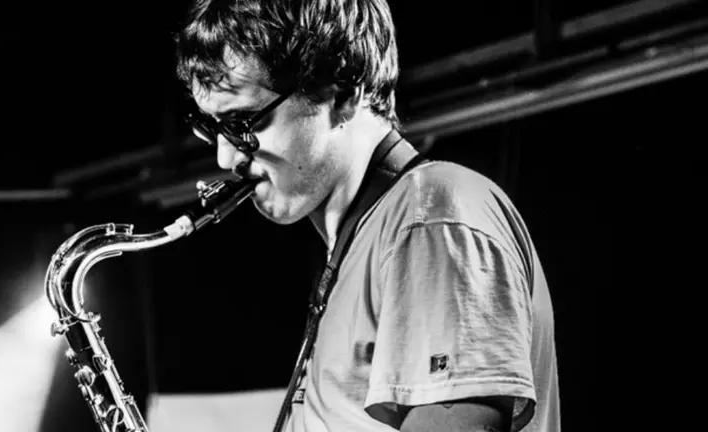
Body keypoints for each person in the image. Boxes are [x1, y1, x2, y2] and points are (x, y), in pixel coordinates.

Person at [173, 1, 560, 431]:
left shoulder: (431, 216)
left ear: (342, 92)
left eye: (243, 123)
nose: (226, 158)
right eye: (213, 128)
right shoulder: (367, 243)